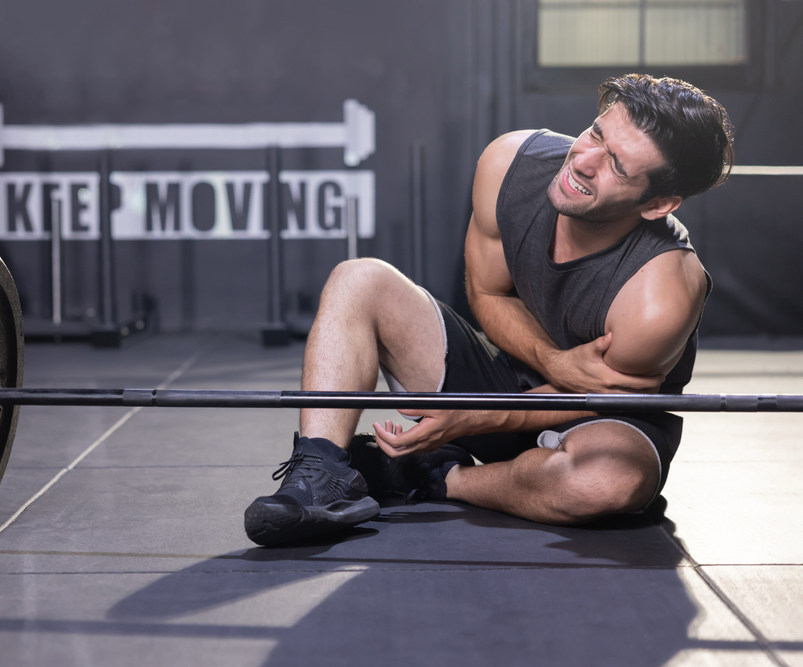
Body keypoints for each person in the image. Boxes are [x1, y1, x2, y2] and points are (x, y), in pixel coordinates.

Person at [243, 74, 734, 546]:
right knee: (359, 278)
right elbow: (488, 296)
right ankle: (321, 474)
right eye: (595, 133)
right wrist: (552, 360)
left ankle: (435, 477)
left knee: (606, 484)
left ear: (658, 204)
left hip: (600, 418)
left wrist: (472, 419)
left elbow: (595, 394)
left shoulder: (661, 294)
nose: (584, 161)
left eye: (617, 166)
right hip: (507, 374)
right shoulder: (510, 164)